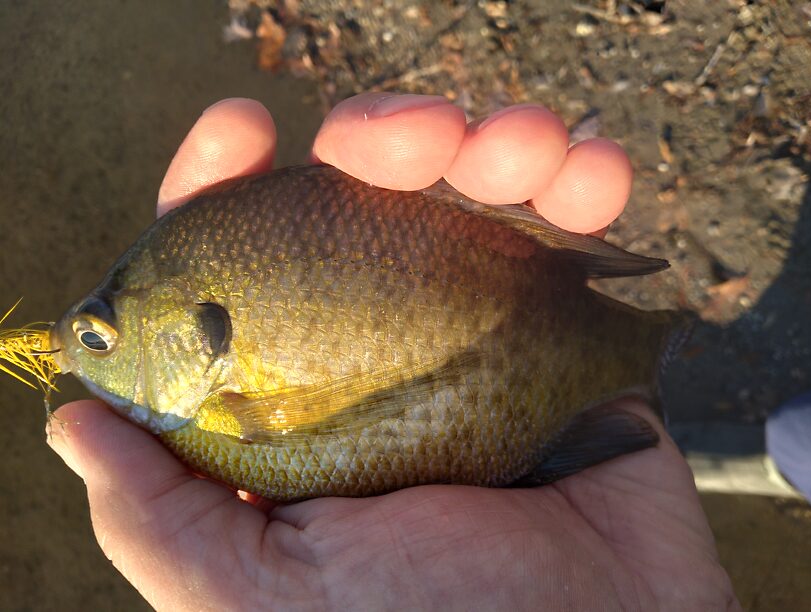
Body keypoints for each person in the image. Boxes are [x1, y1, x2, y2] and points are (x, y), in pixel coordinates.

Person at [46, 94, 740, 610]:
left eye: (99, 339)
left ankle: (669, 367)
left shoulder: (219, 423)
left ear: (197, 331)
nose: (87, 354)